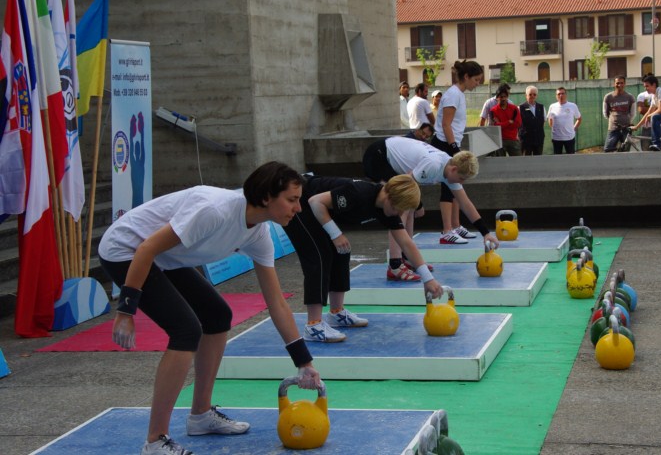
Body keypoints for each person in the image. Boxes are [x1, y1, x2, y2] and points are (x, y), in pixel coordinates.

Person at [97, 162, 320, 455]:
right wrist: (126, 311)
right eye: (292, 200)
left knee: (217, 315)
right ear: (267, 197)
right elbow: (146, 248)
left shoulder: (258, 234)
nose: (298, 208)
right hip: (125, 251)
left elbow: (276, 302)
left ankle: (201, 416)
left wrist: (304, 362)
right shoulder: (214, 210)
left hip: (163, 257)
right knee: (186, 330)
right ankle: (155, 441)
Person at [283, 174, 443, 342]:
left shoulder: (387, 209)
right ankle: (313, 325)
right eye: (399, 208)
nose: (400, 213)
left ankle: (336, 313)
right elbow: (315, 202)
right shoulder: (359, 192)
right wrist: (335, 234)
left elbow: (406, 243)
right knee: (319, 257)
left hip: (318, 212)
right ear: (389, 197)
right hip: (302, 205)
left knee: (341, 251)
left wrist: (428, 279)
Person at [363, 136, 500, 268]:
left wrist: (486, 233)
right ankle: (395, 265)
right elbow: (404, 186)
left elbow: (466, 204)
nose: (462, 182)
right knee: (401, 206)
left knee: (408, 207)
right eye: (462, 178)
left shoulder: (450, 167)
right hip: (378, 156)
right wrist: (419, 205)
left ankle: (407, 257)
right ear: (454, 169)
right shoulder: (434, 165)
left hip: (390, 154)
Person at [430, 60, 485, 243]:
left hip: (450, 143)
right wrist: (454, 147)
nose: (477, 83)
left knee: (456, 185)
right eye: (476, 80)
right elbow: (446, 124)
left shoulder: (458, 94)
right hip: (444, 144)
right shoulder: (453, 94)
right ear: (466, 77)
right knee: (448, 187)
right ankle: (446, 231)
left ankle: (455, 226)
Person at [602, 76, 636, 152]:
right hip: (613, 128)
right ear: (614, 84)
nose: (620, 85)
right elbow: (605, 113)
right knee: (608, 149)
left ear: (625, 84)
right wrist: (613, 120)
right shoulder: (608, 97)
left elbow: (633, 113)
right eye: (617, 83)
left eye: (622, 83)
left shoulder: (630, 97)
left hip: (626, 128)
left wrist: (627, 121)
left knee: (625, 150)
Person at [547, 87, 581, 154]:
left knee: (571, 157)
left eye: (563, 93)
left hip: (569, 138)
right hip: (556, 138)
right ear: (556, 96)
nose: (561, 95)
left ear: (566, 95)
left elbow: (579, 119)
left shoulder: (573, 106)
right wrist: (552, 125)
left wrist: (574, 128)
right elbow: (550, 121)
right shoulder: (552, 106)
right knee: (557, 158)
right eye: (559, 94)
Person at [490, 87, 522, 156]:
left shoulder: (514, 108)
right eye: (501, 97)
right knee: (500, 161)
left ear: (507, 97)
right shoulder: (493, 111)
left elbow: (518, 124)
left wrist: (501, 124)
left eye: (505, 96)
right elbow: (495, 126)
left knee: (518, 161)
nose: (503, 99)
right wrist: (509, 122)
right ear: (497, 98)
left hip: (513, 140)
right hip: (500, 141)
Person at [519, 85, 545, 156]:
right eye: (530, 94)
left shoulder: (541, 107)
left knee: (538, 159)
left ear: (537, 96)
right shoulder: (520, 108)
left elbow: (543, 122)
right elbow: (518, 124)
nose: (532, 96)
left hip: (538, 139)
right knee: (526, 159)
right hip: (526, 140)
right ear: (526, 95)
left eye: (534, 94)